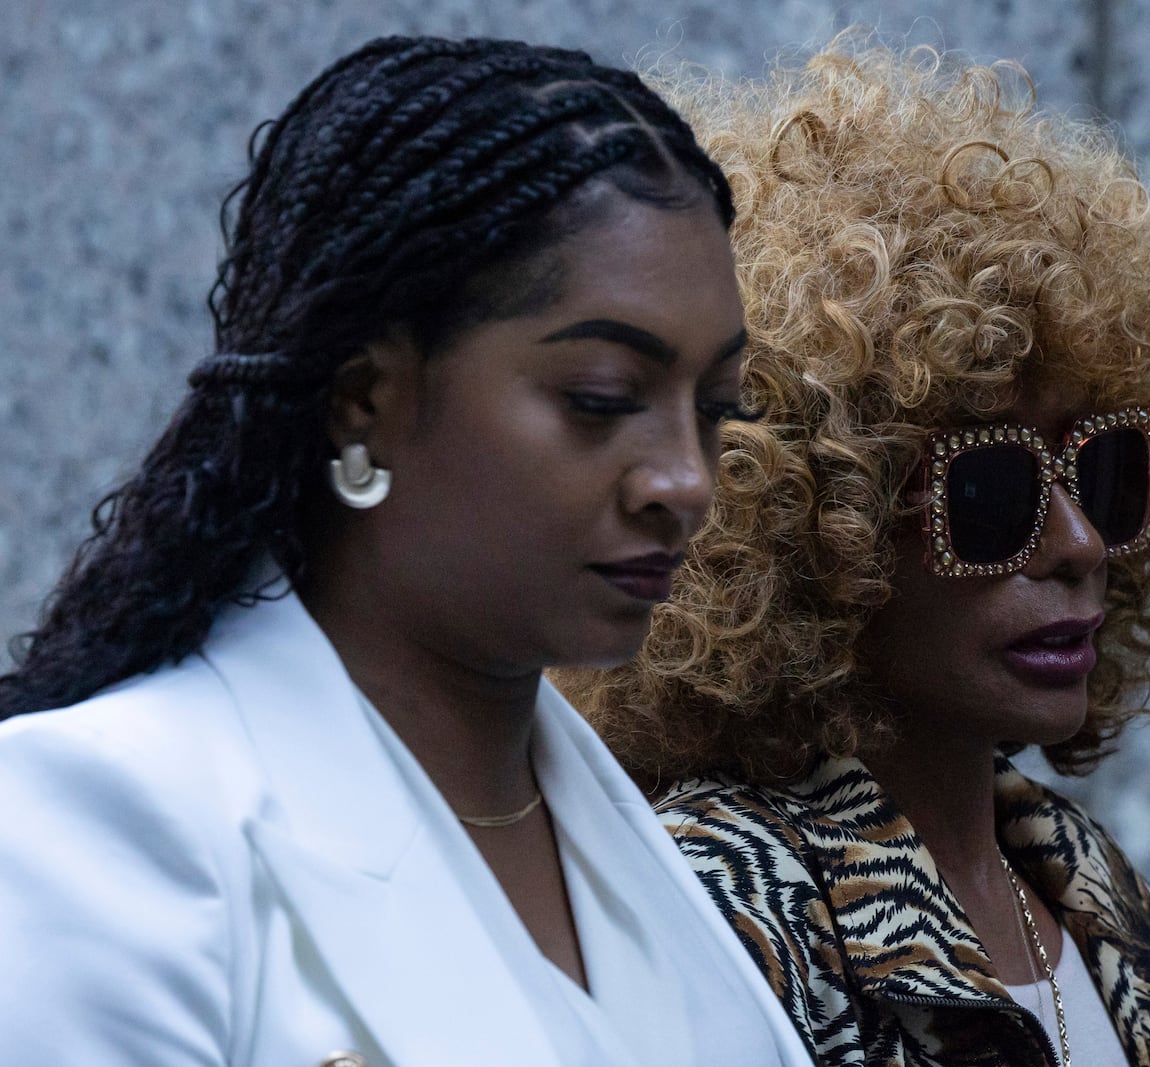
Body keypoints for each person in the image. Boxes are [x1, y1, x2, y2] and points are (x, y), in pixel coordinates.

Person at [0, 36, 813, 1067]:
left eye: (715, 409)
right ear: (365, 400)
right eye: (601, 399)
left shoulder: (657, 865)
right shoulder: (109, 826)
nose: (685, 480)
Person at [564, 42, 1150, 1067]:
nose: (1078, 542)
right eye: (989, 491)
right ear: (807, 531)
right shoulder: (709, 909)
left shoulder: (1095, 891)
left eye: (1104, 471)